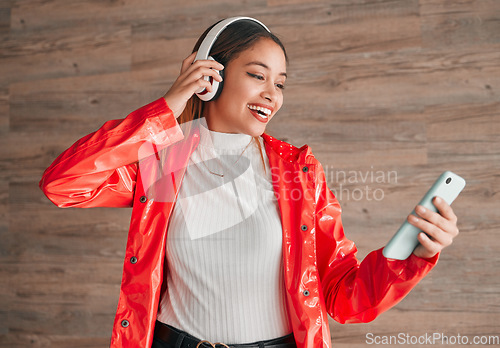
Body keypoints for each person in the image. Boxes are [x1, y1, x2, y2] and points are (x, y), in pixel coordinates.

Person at [39, 17, 460, 348]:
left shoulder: (299, 170)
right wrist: (166, 109)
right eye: (258, 76)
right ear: (210, 75)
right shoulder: (164, 160)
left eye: (280, 84)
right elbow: (63, 183)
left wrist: (413, 256)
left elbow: (343, 298)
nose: (272, 95)